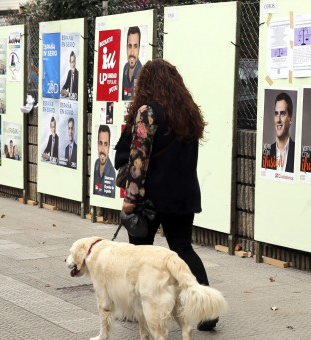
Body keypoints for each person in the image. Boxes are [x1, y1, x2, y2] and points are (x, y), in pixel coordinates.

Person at [115, 58, 218, 331]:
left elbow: (138, 160)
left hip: (150, 199)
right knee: (183, 249)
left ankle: (139, 311)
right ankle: (208, 310)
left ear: (145, 84)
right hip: (183, 195)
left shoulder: (148, 112)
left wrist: (130, 199)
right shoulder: (187, 113)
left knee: (138, 254)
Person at [266, 92, 295, 172]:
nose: (278, 120)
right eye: (276, 114)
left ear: (290, 118)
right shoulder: (266, 154)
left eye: (282, 114)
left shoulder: (297, 152)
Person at [93, 125, 115, 198]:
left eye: (105, 144)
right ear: (97, 144)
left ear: (109, 147)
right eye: (100, 143)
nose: (102, 150)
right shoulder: (96, 164)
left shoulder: (112, 174)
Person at [121, 26, 143, 101]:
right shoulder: (125, 68)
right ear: (126, 47)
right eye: (130, 46)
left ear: (139, 48)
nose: (132, 52)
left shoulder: (143, 72)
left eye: (135, 46)